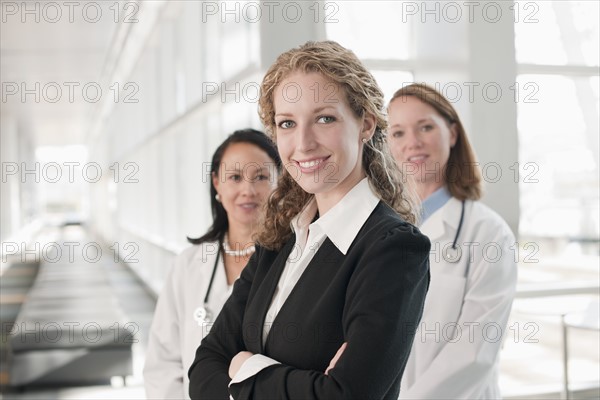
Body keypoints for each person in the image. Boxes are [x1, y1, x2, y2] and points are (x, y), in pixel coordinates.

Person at [188, 41, 431, 400]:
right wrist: (302, 384)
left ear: (366, 124)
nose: (303, 143)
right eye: (287, 123)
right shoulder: (280, 240)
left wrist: (243, 369)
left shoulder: (393, 248)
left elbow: (345, 396)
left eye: (324, 118)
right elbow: (204, 366)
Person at [387, 83, 518, 399]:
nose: (413, 143)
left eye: (426, 127)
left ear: (453, 134)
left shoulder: (487, 233)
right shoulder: (380, 230)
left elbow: (474, 352)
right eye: (398, 133)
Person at [143, 129, 281, 399]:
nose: (248, 190)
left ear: (280, 182)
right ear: (217, 183)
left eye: (261, 177)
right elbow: (163, 361)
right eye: (235, 177)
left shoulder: (293, 260)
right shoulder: (188, 265)